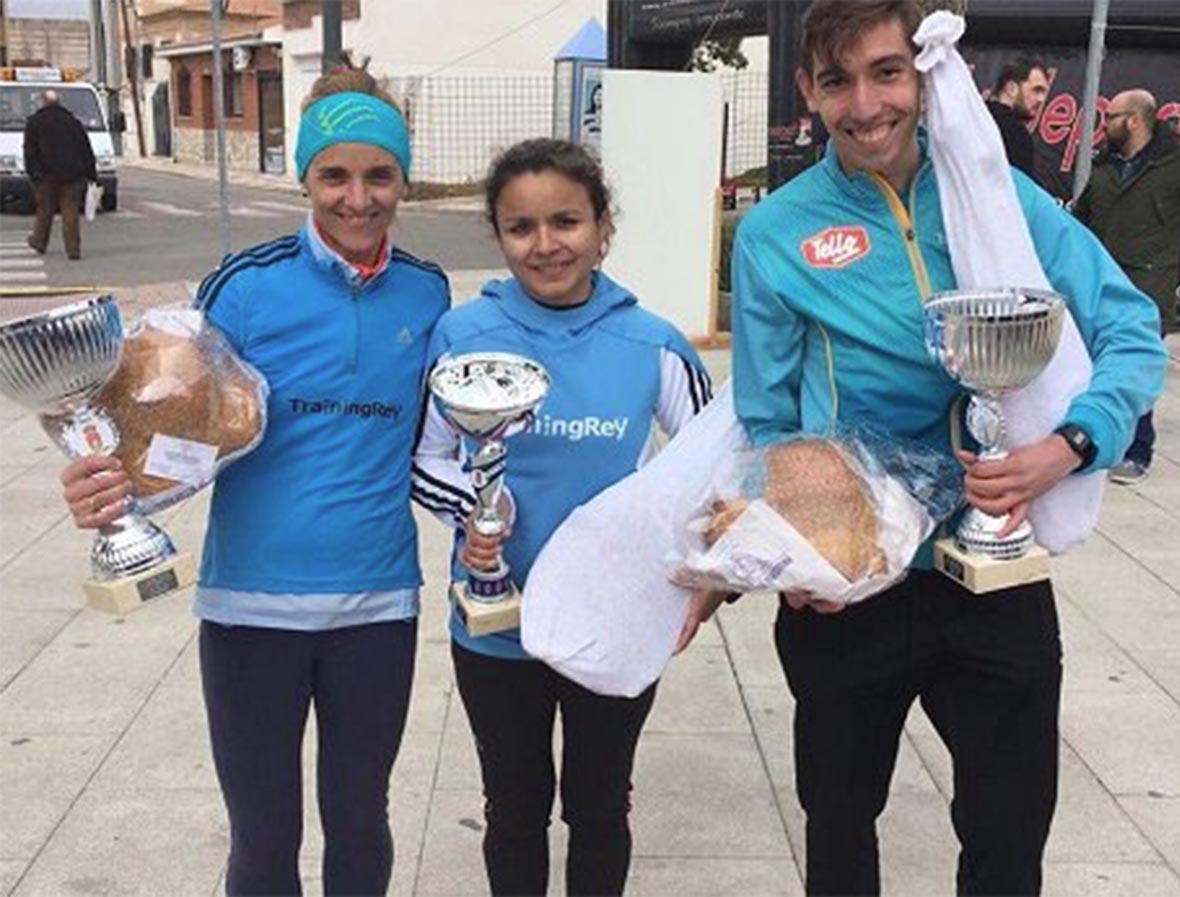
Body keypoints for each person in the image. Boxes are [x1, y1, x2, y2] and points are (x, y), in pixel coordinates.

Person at [706, 2, 1167, 895]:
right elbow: (768, 419)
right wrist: (803, 554)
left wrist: (1071, 444)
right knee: (839, 834)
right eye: (837, 80)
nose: (865, 104)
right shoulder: (774, 234)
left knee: (1007, 836)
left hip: (994, 572)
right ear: (807, 89)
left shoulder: (995, 192)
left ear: (921, 76)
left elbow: (1131, 328)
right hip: (855, 588)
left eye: (886, 71)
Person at [56, 58, 449, 896]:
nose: (358, 197)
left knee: (361, 822)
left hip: (377, 607)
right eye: (334, 175)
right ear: (304, 176)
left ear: (403, 182)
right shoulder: (246, 286)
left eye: (380, 175)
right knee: (264, 837)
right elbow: (159, 421)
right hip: (249, 611)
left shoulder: (429, 294)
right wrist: (105, 486)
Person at [412, 138, 713, 897]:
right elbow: (427, 458)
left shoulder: (654, 344)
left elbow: (720, 466)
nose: (545, 245)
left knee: (601, 806)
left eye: (567, 222)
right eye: (521, 227)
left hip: (615, 620)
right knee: (513, 809)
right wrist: (474, 517)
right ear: (498, 234)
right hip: (495, 624)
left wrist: (702, 574)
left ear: (602, 226)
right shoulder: (462, 338)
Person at [1075, 90, 1180, 485]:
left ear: (1134, 120)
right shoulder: (1105, 166)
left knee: (1136, 365)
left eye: (1111, 116)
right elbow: (1081, 219)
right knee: (1093, 366)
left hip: (1148, 287)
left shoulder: (1179, 166)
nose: (1104, 123)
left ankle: (1138, 449)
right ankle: (1093, 438)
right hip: (1101, 286)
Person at [23, 88, 97, 260]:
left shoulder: (35, 122)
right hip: (73, 174)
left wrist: (32, 173)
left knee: (45, 210)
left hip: (45, 175)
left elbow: (29, 151)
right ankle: (73, 249)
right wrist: (91, 174)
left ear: (42, 102)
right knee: (70, 212)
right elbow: (85, 149)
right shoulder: (72, 122)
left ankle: (39, 242)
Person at [985, 56, 1049, 179]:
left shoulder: (975, 119)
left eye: (1044, 93)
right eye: (1036, 90)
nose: (1041, 99)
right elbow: (1022, 189)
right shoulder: (1016, 133)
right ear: (1011, 88)